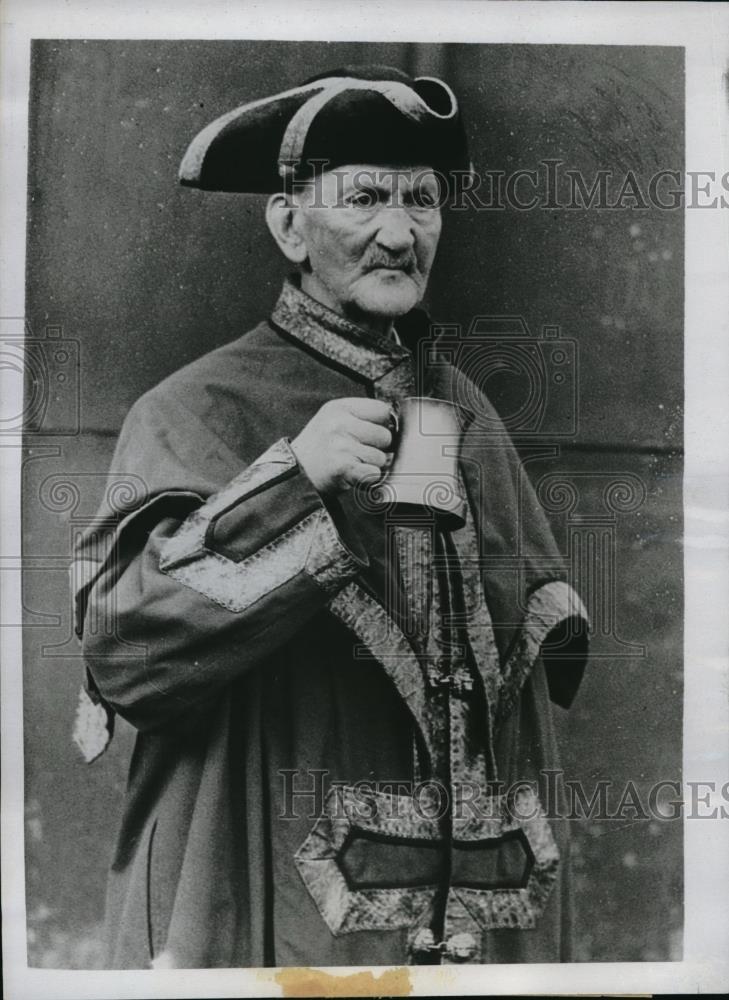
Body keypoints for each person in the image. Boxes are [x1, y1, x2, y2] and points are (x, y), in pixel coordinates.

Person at [72, 64, 589, 969]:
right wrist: (293, 480)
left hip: (469, 929)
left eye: (422, 202)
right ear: (289, 225)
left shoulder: (466, 414)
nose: (399, 233)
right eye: (363, 200)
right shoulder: (194, 408)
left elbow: (514, 719)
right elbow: (125, 658)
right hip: (269, 894)